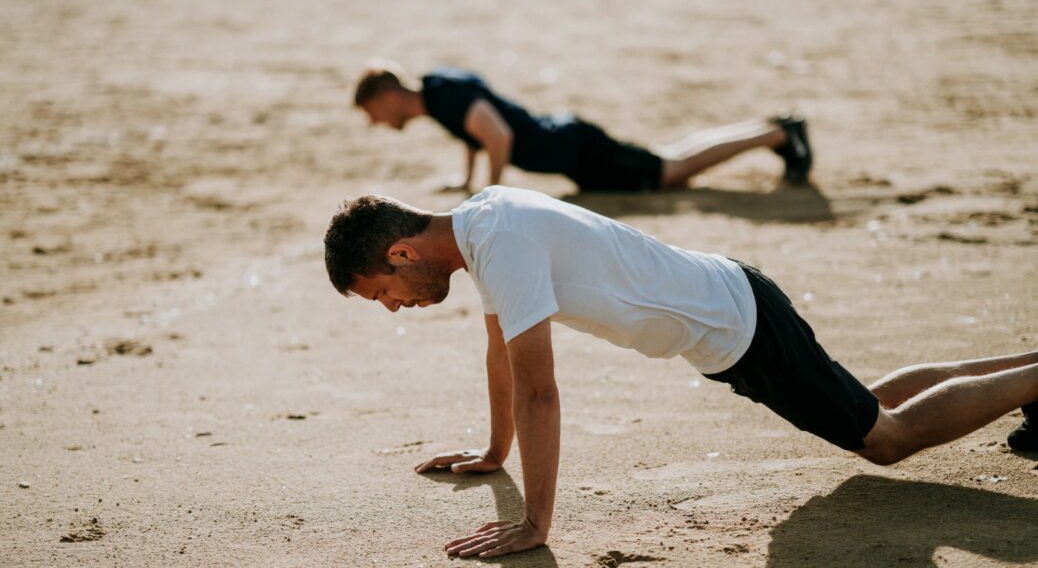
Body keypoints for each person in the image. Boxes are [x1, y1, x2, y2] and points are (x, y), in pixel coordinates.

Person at [323, 185, 1037, 559]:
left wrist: (536, 522)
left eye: (382, 294)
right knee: (871, 401)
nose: (393, 309)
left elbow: (540, 389)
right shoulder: (482, 225)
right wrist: (494, 453)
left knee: (883, 439)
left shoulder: (497, 243)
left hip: (739, 327)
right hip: (733, 308)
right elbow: (501, 355)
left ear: (401, 256)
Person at [353, 60, 812, 194]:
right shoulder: (437, 90)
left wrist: (492, 194)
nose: (378, 122)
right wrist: (468, 180)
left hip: (576, 151)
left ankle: (777, 135)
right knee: (670, 156)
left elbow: (498, 136)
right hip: (571, 144)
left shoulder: (444, 98)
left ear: (388, 96)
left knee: (672, 171)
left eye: (373, 113)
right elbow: (477, 134)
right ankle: (773, 127)